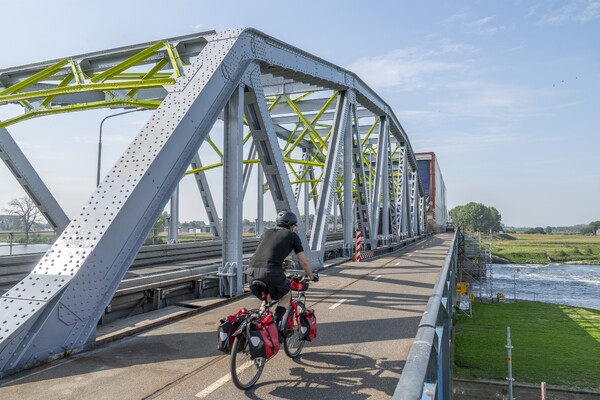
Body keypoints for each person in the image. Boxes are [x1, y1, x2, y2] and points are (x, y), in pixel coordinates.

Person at [246, 210, 318, 331]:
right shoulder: (292, 236)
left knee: (266, 300)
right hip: (270, 272)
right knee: (286, 295)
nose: (295, 228)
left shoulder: (267, 233)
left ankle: (260, 328)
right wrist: (311, 276)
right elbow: (303, 262)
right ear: (291, 225)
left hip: (251, 272)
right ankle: (278, 326)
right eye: (295, 225)